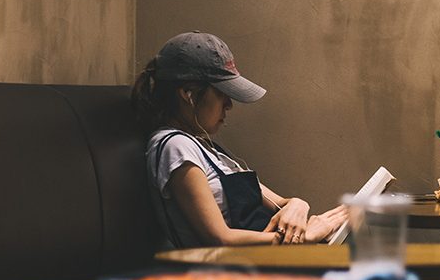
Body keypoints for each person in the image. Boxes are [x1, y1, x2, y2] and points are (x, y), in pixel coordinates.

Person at [131, 31, 346, 249]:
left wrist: (299, 206)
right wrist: (305, 237)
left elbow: (281, 203)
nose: (229, 105)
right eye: (221, 93)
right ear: (188, 93)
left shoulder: (207, 148)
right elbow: (219, 239)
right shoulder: (175, 147)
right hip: (226, 274)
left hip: (263, 263)